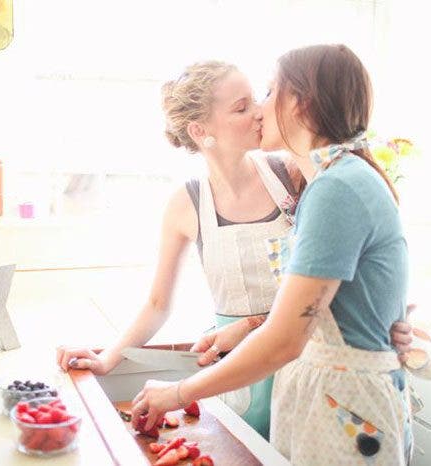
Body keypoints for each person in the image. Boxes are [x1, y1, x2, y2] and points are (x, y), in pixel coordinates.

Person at [57, 59, 412, 442]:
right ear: (201, 130)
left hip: (307, 359)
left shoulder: (295, 175)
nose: (260, 110)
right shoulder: (186, 204)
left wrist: (386, 321)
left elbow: (351, 267)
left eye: (258, 97)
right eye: (242, 107)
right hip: (234, 374)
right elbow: (158, 304)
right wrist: (109, 357)